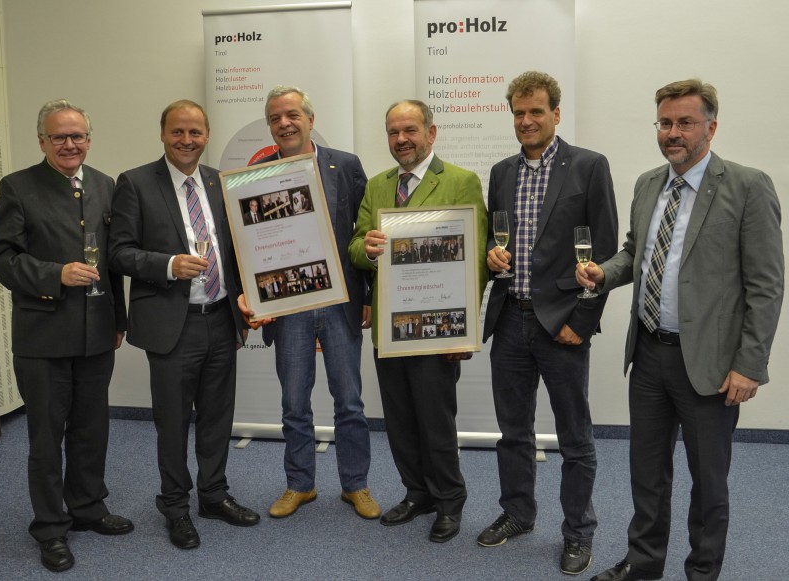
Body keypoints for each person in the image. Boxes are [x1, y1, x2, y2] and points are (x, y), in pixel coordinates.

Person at [578, 79, 784, 581]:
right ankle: (643, 563)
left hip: (711, 365)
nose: (673, 132)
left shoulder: (747, 186)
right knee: (646, 473)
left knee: (708, 481)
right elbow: (637, 252)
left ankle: (702, 571)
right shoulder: (648, 184)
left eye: (685, 122)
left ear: (711, 128)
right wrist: (605, 273)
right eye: (665, 122)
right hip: (649, 354)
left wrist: (749, 364)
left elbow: (766, 286)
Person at [480, 71, 618, 575]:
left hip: (562, 326)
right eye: (519, 112)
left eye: (536, 111)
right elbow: (494, 239)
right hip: (509, 320)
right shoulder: (501, 172)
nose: (527, 120)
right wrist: (491, 256)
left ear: (555, 113)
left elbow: (606, 251)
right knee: (512, 432)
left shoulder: (589, 166)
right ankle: (518, 513)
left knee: (575, 439)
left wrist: (583, 321)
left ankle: (578, 532)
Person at [108, 99, 259, 551]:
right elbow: (118, 253)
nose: (187, 140)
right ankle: (175, 506)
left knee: (217, 417)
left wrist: (245, 301)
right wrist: (168, 265)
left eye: (195, 132)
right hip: (173, 325)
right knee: (172, 422)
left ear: (207, 135)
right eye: (178, 131)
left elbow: (235, 250)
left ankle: (213, 495)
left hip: (220, 319)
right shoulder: (135, 183)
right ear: (162, 134)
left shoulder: (219, 182)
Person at [0, 99, 132, 573]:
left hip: (96, 333)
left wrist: (119, 320)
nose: (70, 144)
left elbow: (114, 263)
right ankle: (50, 528)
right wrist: (56, 274)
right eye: (59, 137)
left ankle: (88, 507)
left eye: (77, 136)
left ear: (89, 139)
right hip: (43, 336)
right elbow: (1, 258)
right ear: (42, 141)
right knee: (47, 438)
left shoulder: (105, 185)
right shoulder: (18, 187)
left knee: (92, 428)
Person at [348, 99, 488, 543]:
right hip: (391, 329)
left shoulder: (461, 182)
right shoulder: (377, 185)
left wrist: (466, 328)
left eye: (409, 130)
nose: (401, 139)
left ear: (431, 132)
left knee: (435, 419)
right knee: (400, 419)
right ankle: (417, 493)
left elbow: (476, 259)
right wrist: (368, 250)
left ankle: (449, 500)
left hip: (438, 328)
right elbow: (355, 246)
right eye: (393, 132)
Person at [237, 86, 379, 520]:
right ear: (270, 126)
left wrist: (367, 295)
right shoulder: (255, 174)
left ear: (310, 120)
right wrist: (254, 294)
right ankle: (300, 484)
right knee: (294, 401)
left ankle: (356, 485)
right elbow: (249, 243)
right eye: (275, 118)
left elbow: (361, 232)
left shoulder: (345, 165)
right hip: (287, 305)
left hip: (340, 302)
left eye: (292, 115)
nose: (284, 124)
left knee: (349, 401)